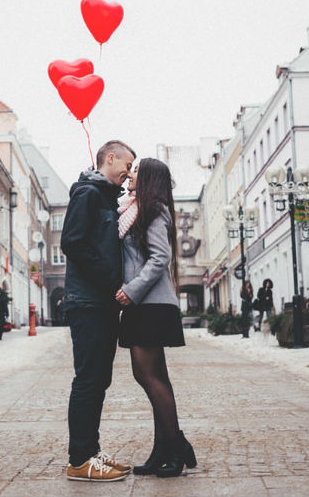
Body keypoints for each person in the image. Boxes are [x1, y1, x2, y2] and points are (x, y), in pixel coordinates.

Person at [116, 158, 197, 478]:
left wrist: (131, 290)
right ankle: (166, 446)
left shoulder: (154, 210)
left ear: (148, 178)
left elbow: (160, 257)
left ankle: (174, 447)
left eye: (135, 171)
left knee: (149, 377)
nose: (129, 174)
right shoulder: (134, 210)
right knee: (152, 377)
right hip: (144, 304)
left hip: (149, 303)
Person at [61, 140, 136, 482]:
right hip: (88, 301)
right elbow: (72, 243)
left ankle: (91, 451)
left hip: (101, 302)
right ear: (110, 157)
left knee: (99, 379)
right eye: (127, 164)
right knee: (89, 379)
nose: (129, 172)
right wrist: (111, 281)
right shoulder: (88, 194)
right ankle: (80, 459)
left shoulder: (105, 197)